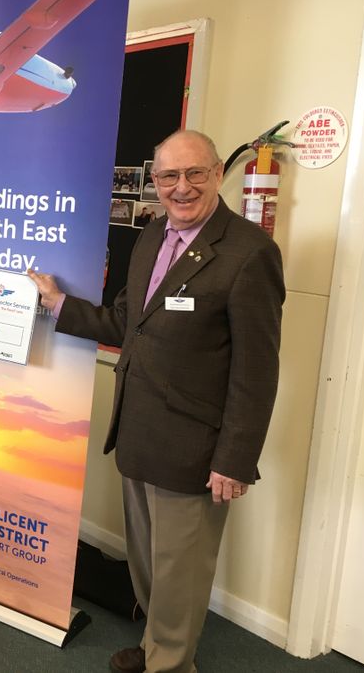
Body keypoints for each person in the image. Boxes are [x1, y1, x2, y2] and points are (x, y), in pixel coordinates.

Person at [29, 130, 284, 673]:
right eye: (169, 176)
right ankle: (157, 648)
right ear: (156, 182)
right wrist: (57, 305)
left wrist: (234, 459)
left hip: (195, 445)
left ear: (218, 174)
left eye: (195, 173)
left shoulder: (249, 253)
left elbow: (257, 371)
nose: (182, 187)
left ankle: (171, 664)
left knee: (181, 569)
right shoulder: (151, 236)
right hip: (139, 430)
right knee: (149, 562)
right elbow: (128, 322)